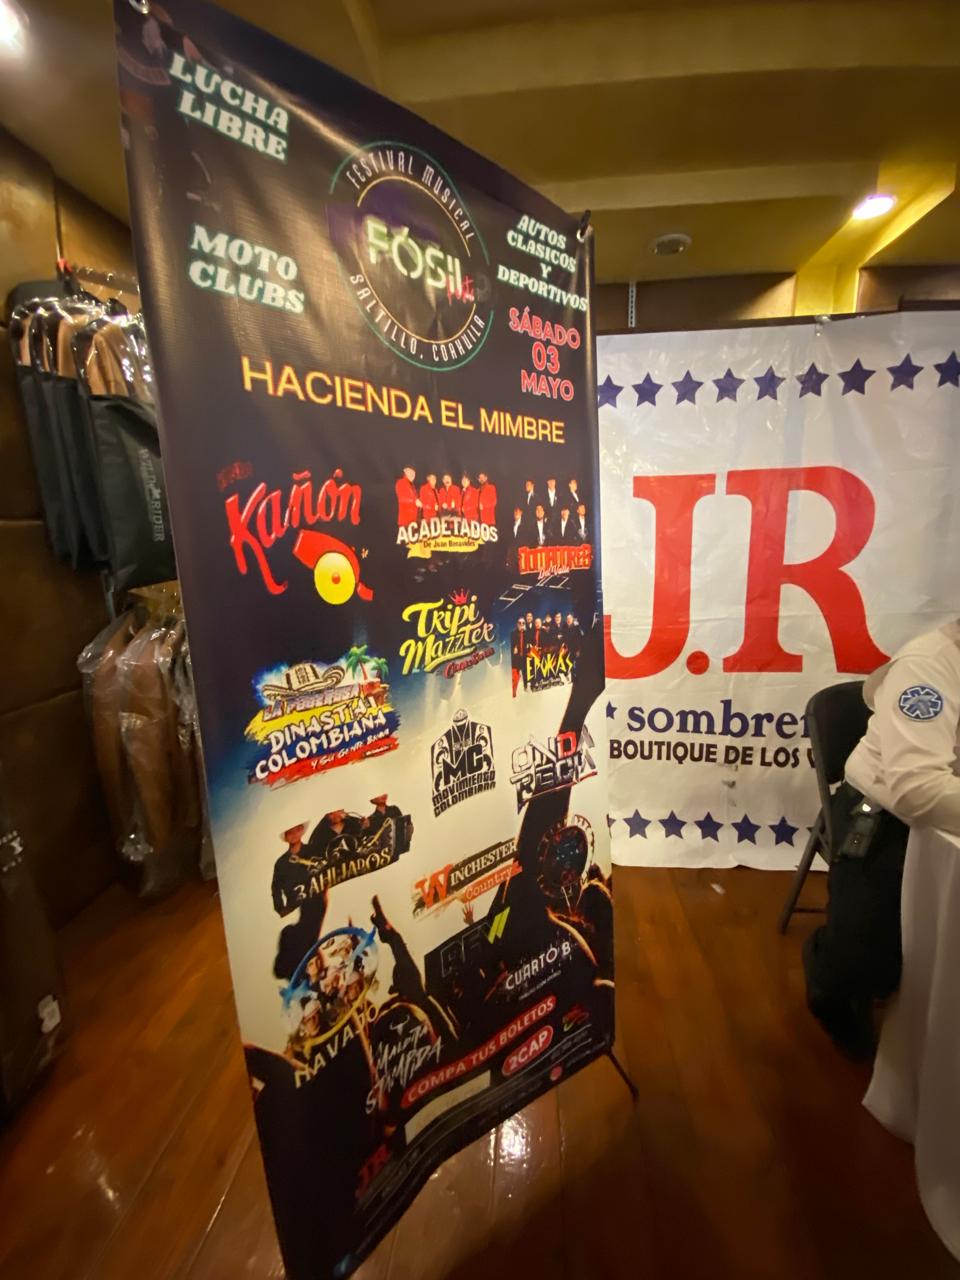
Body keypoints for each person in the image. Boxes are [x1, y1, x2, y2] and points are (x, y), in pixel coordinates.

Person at [804, 618, 960, 1058]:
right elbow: (918, 791)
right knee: (864, 961)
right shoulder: (930, 664)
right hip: (881, 815)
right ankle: (825, 973)